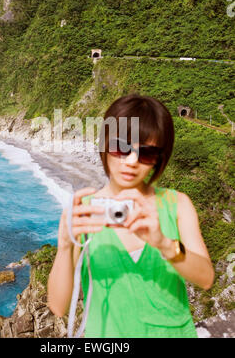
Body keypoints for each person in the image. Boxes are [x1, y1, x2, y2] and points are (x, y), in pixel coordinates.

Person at [47, 94, 215, 338]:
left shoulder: (176, 205)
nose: (132, 161)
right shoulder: (85, 211)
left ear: (159, 158)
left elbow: (206, 278)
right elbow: (58, 306)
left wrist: (164, 244)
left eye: (146, 153)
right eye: (121, 147)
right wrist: (64, 246)